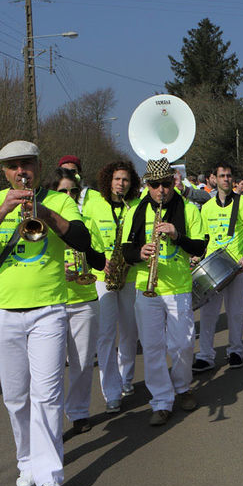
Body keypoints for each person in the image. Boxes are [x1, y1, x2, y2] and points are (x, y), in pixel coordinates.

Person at [0, 140, 96, 486]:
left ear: (38, 166)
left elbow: (83, 241)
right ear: (4, 171)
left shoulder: (60, 201)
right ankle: (26, 462)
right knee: (16, 397)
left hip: (50, 309)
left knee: (48, 394)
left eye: (27, 164)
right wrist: (5, 210)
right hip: (5, 312)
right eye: (13, 166)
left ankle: (50, 474)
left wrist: (47, 214)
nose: (20, 170)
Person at [123, 158, 206, 426]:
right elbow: (126, 250)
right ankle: (161, 400)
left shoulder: (189, 210)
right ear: (147, 185)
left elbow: (199, 248)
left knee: (182, 343)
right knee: (152, 347)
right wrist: (140, 252)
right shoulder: (136, 211)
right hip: (146, 288)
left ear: (173, 183)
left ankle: (182, 387)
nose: (161, 190)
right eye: (155, 184)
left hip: (179, 287)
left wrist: (176, 235)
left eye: (166, 184)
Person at [48, 171, 106, 435]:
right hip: (52, 300)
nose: (69, 196)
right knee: (52, 368)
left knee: (82, 363)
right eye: (63, 192)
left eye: (73, 191)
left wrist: (83, 247)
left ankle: (79, 411)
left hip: (84, 299)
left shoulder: (85, 222)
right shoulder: (42, 223)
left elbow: (98, 260)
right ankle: (50, 419)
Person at [191, 161, 243, 373]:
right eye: (222, 176)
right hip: (213, 268)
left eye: (229, 176)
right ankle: (205, 356)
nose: (226, 179)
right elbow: (204, 236)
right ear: (214, 178)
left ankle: (236, 351)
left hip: (236, 268)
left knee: (235, 312)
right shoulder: (207, 206)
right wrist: (197, 256)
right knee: (209, 313)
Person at [88, 160, 141, 411]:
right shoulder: (93, 205)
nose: (121, 184)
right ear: (109, 180)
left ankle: (126, 378)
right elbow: (89, 239)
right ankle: (111, 391)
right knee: (106, 335)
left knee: (130, 332)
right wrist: (101, 260)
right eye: (118, 179)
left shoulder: (135, 207)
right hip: (103, 275)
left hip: (130, 275)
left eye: (126, 180)